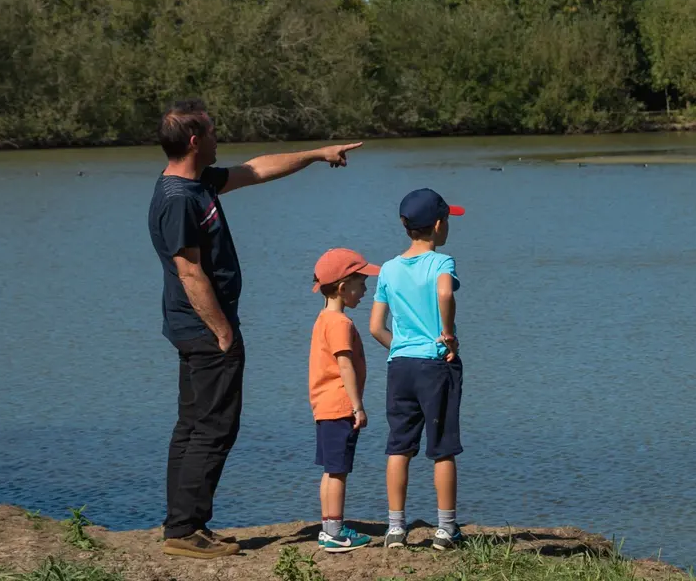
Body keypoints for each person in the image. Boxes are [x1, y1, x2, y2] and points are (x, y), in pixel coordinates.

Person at [148, 99, 362, 560]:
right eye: (211, 131)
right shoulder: (178, 200)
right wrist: (222, 331)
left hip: (197, 329)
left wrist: (315, 153)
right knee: (213, 428)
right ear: (193, 140)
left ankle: (186, 523)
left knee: (194, 426)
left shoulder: (198, 183)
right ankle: (184, 532)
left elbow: (256, 170)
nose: (217, 137)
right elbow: (190, 273)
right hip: (205, 332)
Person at [369, 188, 465, 550]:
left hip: (400, 366)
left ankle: (395, 528)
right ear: (439, 225)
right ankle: (446, 528)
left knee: (399, 446)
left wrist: (400, 346)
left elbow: (376, 327)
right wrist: (448, 336)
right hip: (435, 364)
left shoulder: (389, 269)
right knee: (443, 447)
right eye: (449, 221)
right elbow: (445, 294)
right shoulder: (442, 262)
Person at [307, 247, 379, 552]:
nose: (364, 290)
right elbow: (345, 364)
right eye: (360, 283)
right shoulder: (340, 324)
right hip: (339, 406)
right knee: (338, 471)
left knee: (330, 468)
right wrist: (357, 406)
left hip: (324, 406)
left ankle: (328, 527)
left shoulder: (323, 319)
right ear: (342, 287)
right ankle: (335, 534)